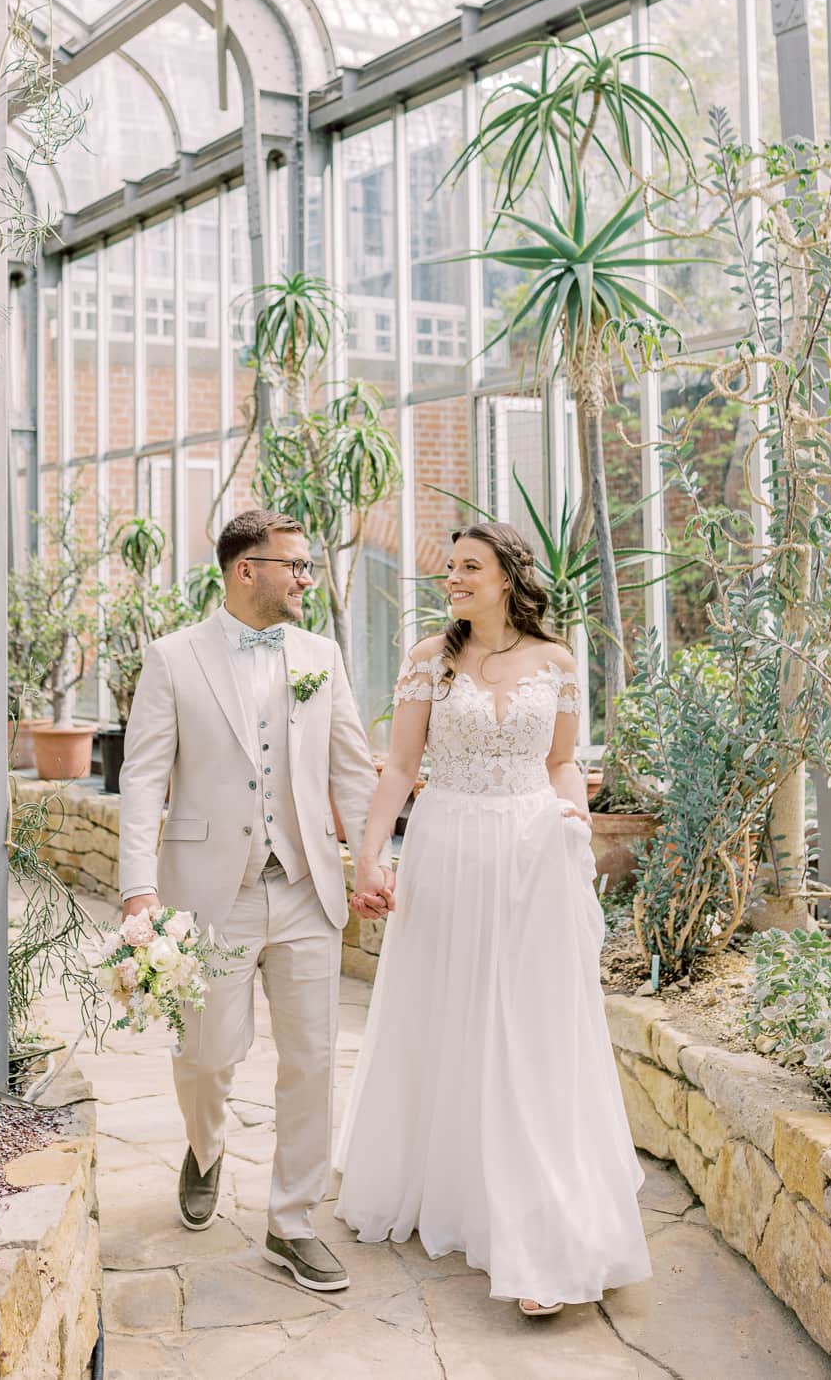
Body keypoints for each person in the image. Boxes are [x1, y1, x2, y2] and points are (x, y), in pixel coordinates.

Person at [335, 521, 651, 1317]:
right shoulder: (427, 662)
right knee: (451, 1016)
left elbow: (560, 762)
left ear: (508, 575)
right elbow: (402, 767)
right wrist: (369, 856)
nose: (454, 578)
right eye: (451, 568)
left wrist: (574, 818)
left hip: (531, 855)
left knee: (530, 1030)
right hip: (447, 850)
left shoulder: (557, 661)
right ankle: (457, 1187)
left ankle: (540, 1228)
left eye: (470, 567)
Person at [118, 508, 387, 1294]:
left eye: (308, 565)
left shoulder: (320, 654)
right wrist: (139, 891)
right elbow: (140, 779)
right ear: (246, 570)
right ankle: (205, 1146)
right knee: (207, 1054)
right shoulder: (172, 658)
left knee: (310, 1061)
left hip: (305, 885)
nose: (308, 578)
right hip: (210, 892)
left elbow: (349, 768)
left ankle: (293, 1221)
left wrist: (370, 857)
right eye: (295, 565)